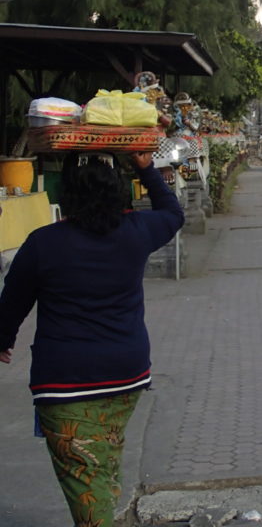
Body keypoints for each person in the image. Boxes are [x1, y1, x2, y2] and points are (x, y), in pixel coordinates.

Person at [0, 151, 184, 527]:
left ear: (67, 194)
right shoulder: (137, 231)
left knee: (88, 482)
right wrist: (146, 168)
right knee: (103, 464)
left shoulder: (43, 243)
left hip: (65, 384)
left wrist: (3, 340)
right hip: (126, 376)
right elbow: (173, 213)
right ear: (119, 193)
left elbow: (12, 302)